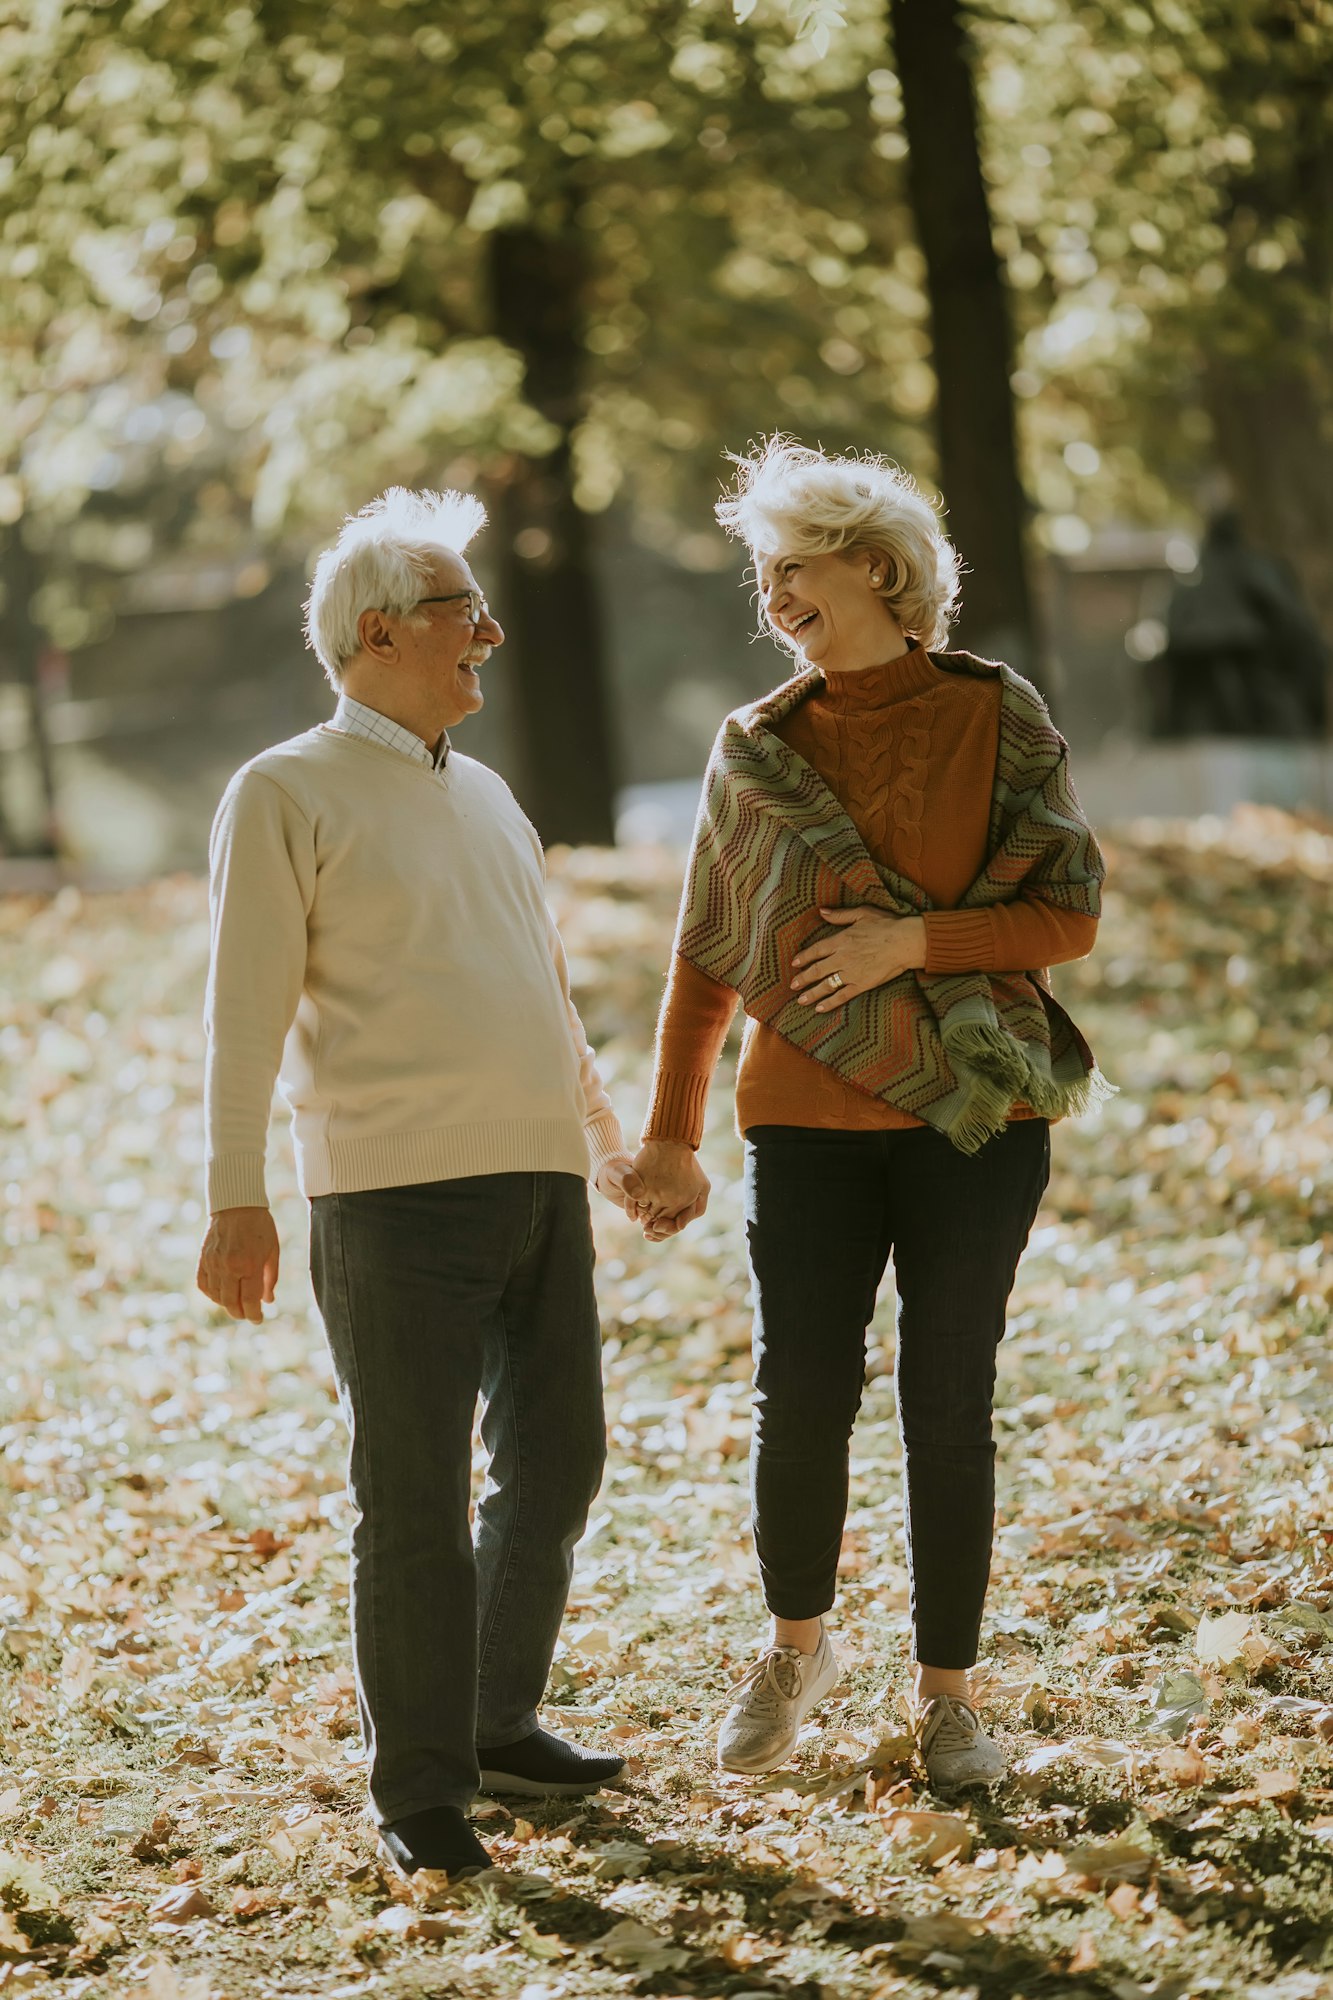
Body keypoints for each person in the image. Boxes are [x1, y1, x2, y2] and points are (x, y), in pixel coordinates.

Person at [632, 439, 1109, 1788]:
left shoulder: (993, 712)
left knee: (946, 1399)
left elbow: (1065, 913)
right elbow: (704, 950)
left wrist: (914, 947)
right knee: (800, 1395)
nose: (772, 589)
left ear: (882, 571)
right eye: (762, 570)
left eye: (797, 564)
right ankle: (794, 1649)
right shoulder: (758, 750)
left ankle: (946, 1697)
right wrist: (669, 1132)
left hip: (974, 1121)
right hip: (802, 1121)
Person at [196, 487, 648, 1879]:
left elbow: (543, 993)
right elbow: (244, 1009)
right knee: (411, 1502)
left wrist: (611, 1142)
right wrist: (234, 1193)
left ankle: (497, 1722)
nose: (494, 636)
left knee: (559, 1459)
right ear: (378, 633)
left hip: (537, 1184)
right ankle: (421, 1792)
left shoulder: (494, 795)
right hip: (390, 1200)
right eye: (467, 612)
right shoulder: (283, 789)